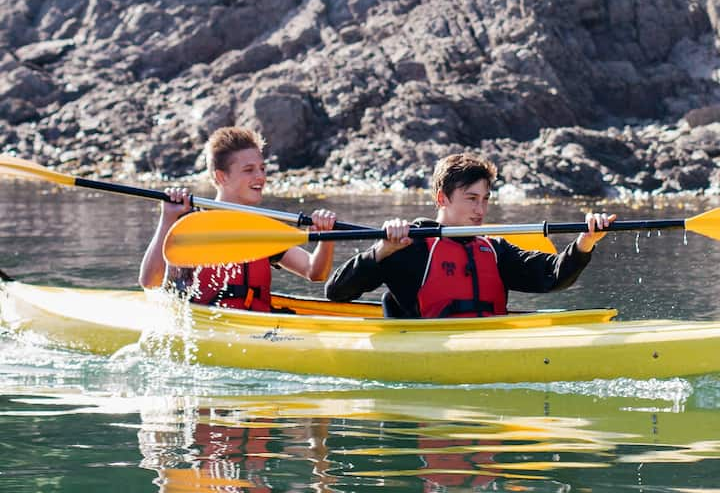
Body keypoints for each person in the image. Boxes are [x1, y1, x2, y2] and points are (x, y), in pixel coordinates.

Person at [325, 152, 615, 319]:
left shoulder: (495, 249)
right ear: (442, 198)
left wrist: (585, 241)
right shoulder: (409, 247)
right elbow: (336, 293)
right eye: (471, 198)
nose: (480, 209)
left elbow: (552, 277)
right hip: (426, 353)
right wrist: (381, 251)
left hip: (487, 342)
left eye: (485, 199)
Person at [139, 126, 336, 310]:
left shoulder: (262, 229)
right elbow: (150, 282)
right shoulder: (191, 225)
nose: (260, 177)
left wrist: (324, 238)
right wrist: (167, 219)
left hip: (257, 327)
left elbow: (314, 272)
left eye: (262, 168)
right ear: (221, 177)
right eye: (249, 170)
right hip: (206, 324)